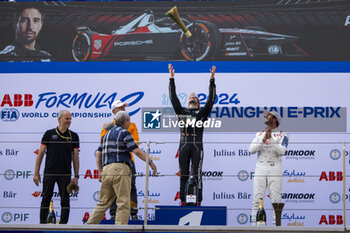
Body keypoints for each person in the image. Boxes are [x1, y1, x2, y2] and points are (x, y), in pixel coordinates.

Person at [86, 111, 157, 225]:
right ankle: (120, 229)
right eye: (129, 121)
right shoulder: (125, 133)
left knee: (103, 203)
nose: (130, 123)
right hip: (120, 169)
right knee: (123, 202)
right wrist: (150, 162)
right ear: (125, 122)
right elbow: (136, 151)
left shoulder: (106, 135)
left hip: (107, 169)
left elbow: (98, 153)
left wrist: (100, 171)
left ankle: (88, 227)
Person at [168, 63, 216, 206]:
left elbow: (211, 100)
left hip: (197, 146)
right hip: (183, 145)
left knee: (197, 174)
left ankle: (198, 201)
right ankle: (183, 201)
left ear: (198, 102)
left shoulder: (203, 113)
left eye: (195, 96)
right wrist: (171, 79)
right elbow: (173, 98)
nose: (192, 97)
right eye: (190, 96)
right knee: (183, 173)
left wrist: (212, 80)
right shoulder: (181, 111)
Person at [33, 110, 79, 224]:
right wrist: (36, 173)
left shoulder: (74, 135)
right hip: (49, 172)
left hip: (65, 173)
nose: (69, 121)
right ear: (60, 119)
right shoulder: (49, 133)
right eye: (67, 119)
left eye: (70, 119)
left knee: (65, 200)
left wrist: (76, 176)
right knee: (45, 200)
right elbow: (41, 154)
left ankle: (63, 226)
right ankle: (42, 226)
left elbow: (76, 157)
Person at [100, 100, 139, 220]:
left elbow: (136, 142)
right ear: (114, 111)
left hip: (127, 160)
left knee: (131, 186)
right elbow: (102, 144)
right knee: (112, 188)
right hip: (111, 160)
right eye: (120, 107)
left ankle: (133, 212)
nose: (123, 109)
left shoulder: (131, 124)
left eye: (124, 107)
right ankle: (113, 213)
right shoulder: (106, 126)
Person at [249, 110, 289, 226]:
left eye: (269, 115)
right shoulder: (259, 133)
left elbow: (282, 151)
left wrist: (270, 139)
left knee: (276, 200)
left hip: (275, 167)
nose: (266, 117)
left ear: (275, 119)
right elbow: (251, 150)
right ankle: (254, 228)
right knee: (257, 198)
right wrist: (263, 139)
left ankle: (276, 228)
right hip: (260, 167)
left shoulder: (283, 134)